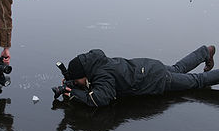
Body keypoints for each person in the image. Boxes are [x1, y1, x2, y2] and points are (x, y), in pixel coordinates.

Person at [58, 45, 218, 107]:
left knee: (197, 81)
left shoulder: (103, 77)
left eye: (78, 78)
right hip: (149, 66)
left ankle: (206, 55)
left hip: (155, 80)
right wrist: (72, 81)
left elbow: (99, 99)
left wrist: (73, 93)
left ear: (84, 73)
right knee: (178, 68)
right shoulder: (97, 63)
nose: (78, 81)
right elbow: (86, 80)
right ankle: (204, 52)